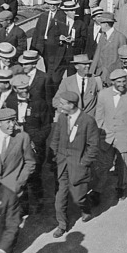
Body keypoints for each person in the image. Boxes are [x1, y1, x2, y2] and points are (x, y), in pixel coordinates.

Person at [49, 90, 99, 237]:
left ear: (71, 105)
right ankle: (62, 224)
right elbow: (56, 138)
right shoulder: (62, 118)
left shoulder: (88, 121)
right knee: (60, 198)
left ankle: (85, 208)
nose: (59, 105)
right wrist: (54, 156)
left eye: (63, 103)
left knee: (79, 198)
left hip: (78, 165)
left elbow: (93, 146)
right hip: (62, 163)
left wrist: (84, 162)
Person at [95, 69, 127, 200]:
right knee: (104, 165)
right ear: (112, 82)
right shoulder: (103, 95)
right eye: (119, 82)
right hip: (107, 137)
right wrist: (99, 135)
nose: (122, 84)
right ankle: (97, 191)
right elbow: (99, 117)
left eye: (124, 81)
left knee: (123, 167)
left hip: (124, 138)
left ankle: (121, 187)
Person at [11, 74, 52, 213]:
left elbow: (47, 126)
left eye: (26, 87)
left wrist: (36, 142)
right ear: (14, 89)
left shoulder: (39, 103)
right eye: (21, 89)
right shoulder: (10, 102)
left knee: (35, 175)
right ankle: (24, 205)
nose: (25, 91)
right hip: (17, 147)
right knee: (19, 174)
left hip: (35, 147)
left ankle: (39, 201)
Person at [0, 108, 35, 200]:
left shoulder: (22, 137)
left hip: (13, 191)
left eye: (13, 121)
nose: (12, 125)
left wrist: (19, 183)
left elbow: (30, 162)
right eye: (8, 122)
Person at [30, 0, 67, 77]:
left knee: (52, 70)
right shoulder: (43, 16)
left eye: (55, 5)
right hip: (43, 46)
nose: (52, 7)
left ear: (58, 4)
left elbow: (64, 32)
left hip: (54, 46)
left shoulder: (62, 16)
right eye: (50, 4)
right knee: (47, 67)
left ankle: (50, 86)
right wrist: (33, 48)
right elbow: (37, 32)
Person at [89, 12, 127, 81]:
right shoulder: (102, 36)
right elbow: (97, 55)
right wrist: (91, 72)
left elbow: (123, 58)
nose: (100, 26)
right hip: (101, 73)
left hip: (113, 74)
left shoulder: (120, 37)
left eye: (101, 24)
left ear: (106, 24)